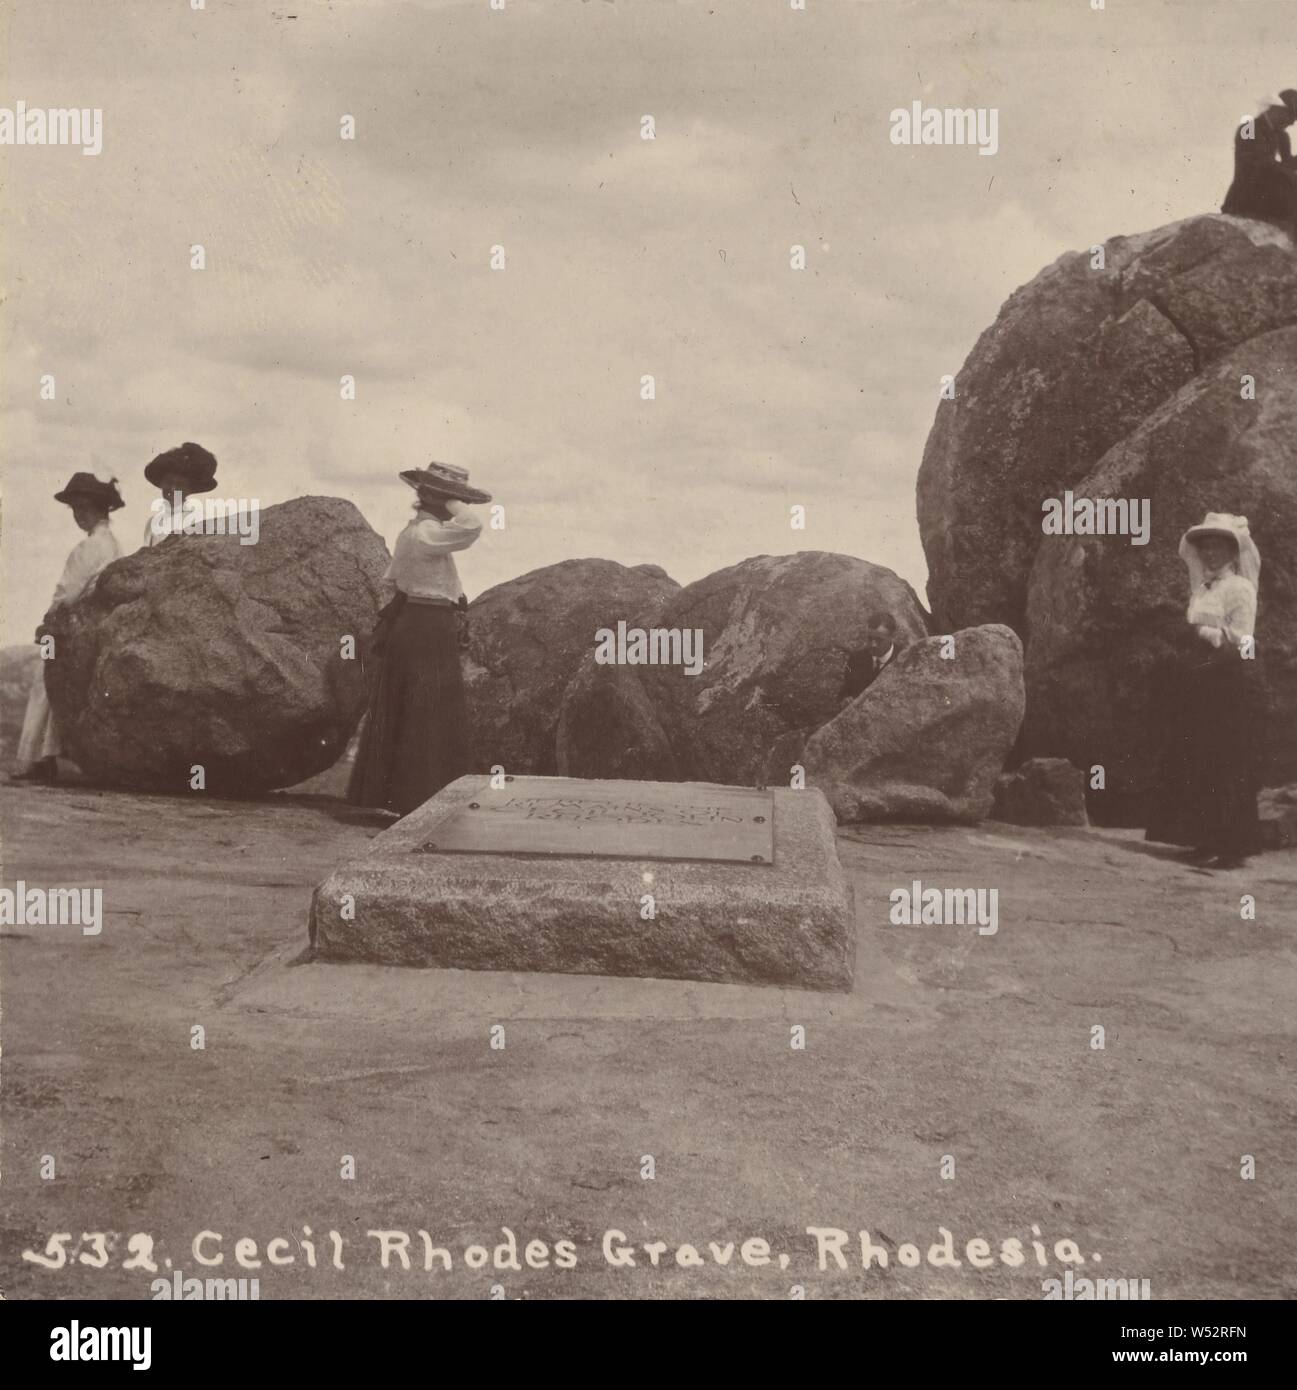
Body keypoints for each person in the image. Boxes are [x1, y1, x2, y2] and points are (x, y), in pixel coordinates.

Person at [347, 462, 491, 817]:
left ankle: (409, 797)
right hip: (426, 625)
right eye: (450, 496)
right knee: (426, 711)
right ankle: (415, 798)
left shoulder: (418, 533)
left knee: (419, 710)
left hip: (420, 623)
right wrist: (452, 500)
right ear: (438, 498)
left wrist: (443, 497)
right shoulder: (424, 534)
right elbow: (473, 525)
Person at [1145, 512, 1261, 869]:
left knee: (1224, 758)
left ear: (1232, 551)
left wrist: (1216, 635)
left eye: (1219, 547)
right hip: (1199, 679)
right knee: (1194, 754)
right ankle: (1199, 836)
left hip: (1227, 679)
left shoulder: (1240, 588)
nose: (1211, 554)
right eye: (1206, 547)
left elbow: (1247, 643)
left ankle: (1231, 846)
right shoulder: (1203, 587)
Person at [11, 473, 125, 783]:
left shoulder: (88, 548)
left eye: (84, 508)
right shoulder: (113, 545)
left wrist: (48, 620)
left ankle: (35, 759)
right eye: (75, 508)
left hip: (68, 625)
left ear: (100, 509)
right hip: (92, 626)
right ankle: (48, 756)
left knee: (43, 681)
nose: (79, 514)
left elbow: (67, 593)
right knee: (61, 687)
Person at [1221, 90, 1297, 237]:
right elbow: (1259, 163)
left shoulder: (1282, 135)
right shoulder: (1247, 127)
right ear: (1276, 109)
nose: (1293, 122)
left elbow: (1286, 163)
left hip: (1270, 192)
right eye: (1292, 115)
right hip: (1247, 195)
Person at [142, 441, 218, 547]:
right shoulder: (152, 523)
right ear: (161, 483)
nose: (172, 489)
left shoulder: (199, 519)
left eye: (180, 484)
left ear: (189, 489)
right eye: (169, 482)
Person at [839, 610, 902, 703]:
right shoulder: (856, 658)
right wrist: (845, 699)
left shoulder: (904, 659)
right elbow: (845, 691)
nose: (873, 644)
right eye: (870, 638)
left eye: (879, 640)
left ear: (892, 637)